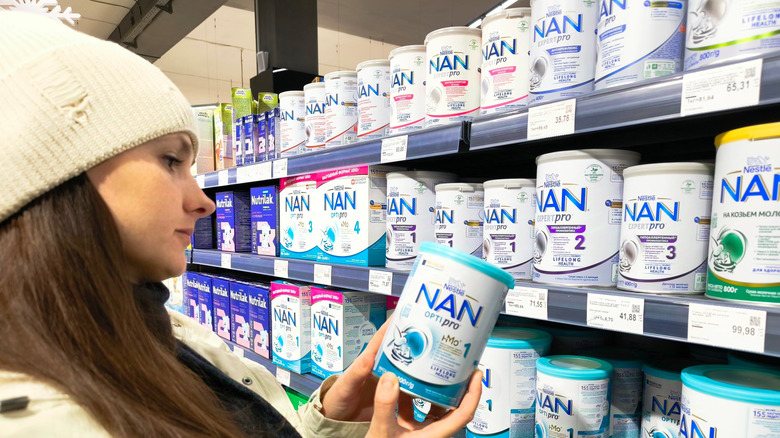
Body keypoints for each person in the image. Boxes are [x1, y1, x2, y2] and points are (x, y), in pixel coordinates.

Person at [0, 11, 481, 438]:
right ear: (52, 177)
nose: (204, 203)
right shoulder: (44, 419)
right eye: (170, 160)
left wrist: (326, 423)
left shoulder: (153, 331)